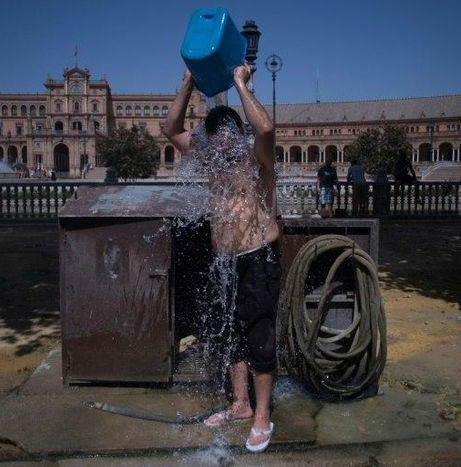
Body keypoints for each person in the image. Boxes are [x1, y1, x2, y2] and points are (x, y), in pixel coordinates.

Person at [165, 65, 280, 453]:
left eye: (226, 136)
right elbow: (170, 130)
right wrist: (187, 82)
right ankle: (241, 404)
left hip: (257, 257)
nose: (220, 145)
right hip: (224, 261)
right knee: (230, 332)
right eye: (214, 138)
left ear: (236, 134)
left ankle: (263, 414)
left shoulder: (255, 156)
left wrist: (239, 85)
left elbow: (265, 129)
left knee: (259, 336)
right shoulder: (212, 160)